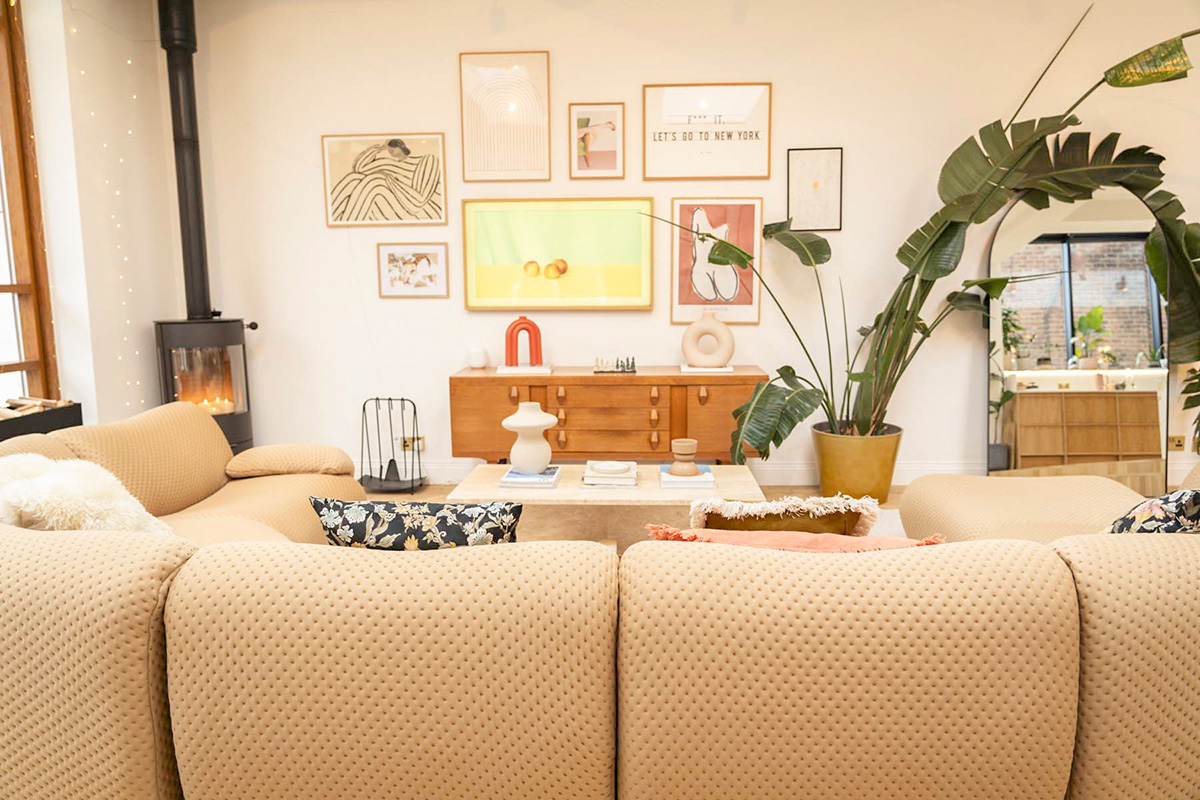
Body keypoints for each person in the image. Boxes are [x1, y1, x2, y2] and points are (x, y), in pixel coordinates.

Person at [329, 138, 442, 222]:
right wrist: (379, 148)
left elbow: (418, 202)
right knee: (353, 178)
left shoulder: (426, 160)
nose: (390, 151)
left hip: (420, 212)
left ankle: (348, 228)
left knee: (376, 180)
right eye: (388, 149)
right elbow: (359, 168)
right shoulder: (388, 163)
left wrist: (388, 179)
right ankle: (333, 223)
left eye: (392, 148)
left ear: (401, 146)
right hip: (387, 204)